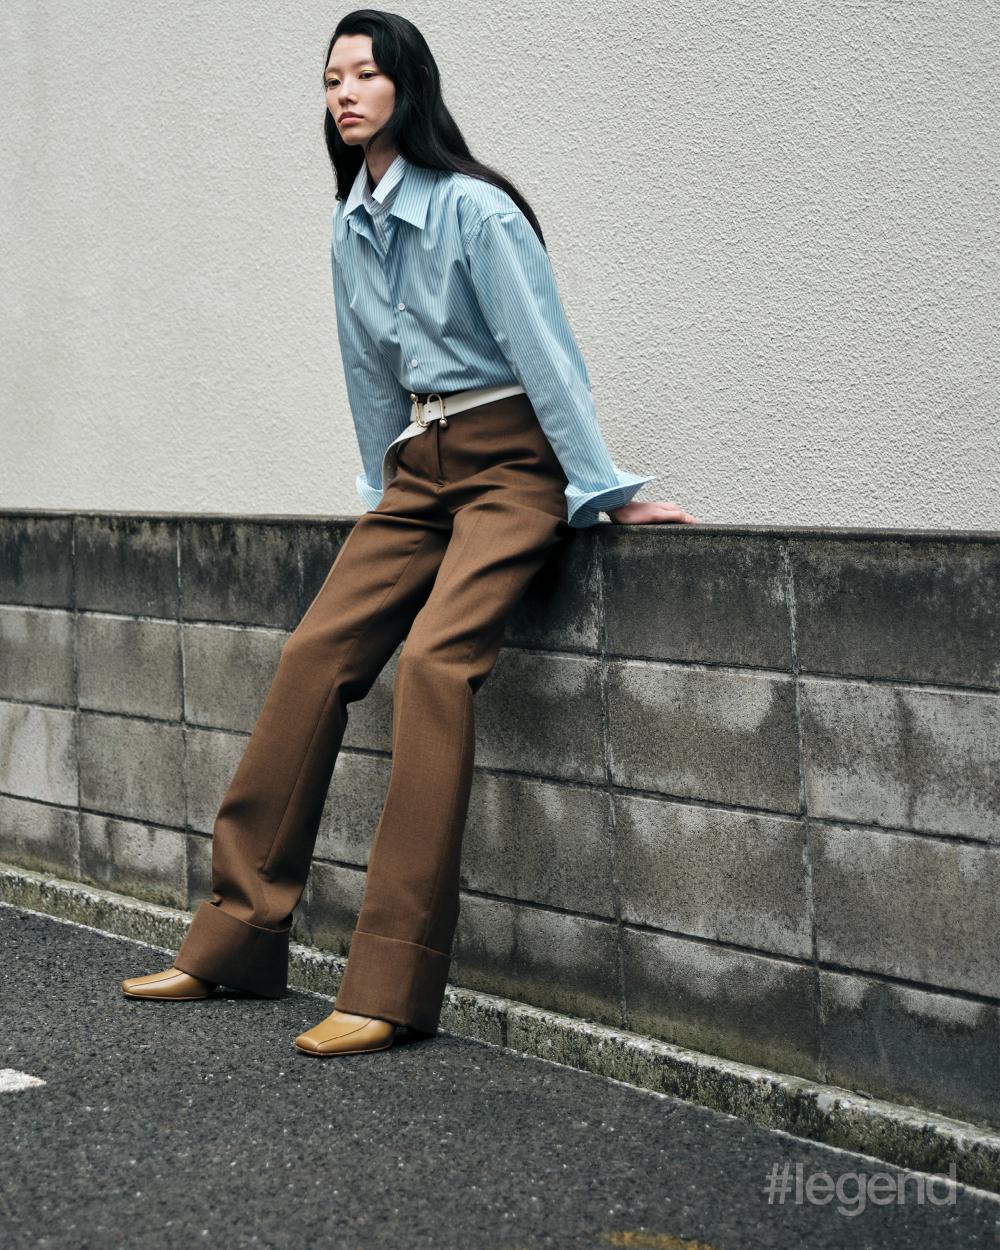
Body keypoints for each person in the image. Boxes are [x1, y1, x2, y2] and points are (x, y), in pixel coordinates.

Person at [121, 10, 698, 1055]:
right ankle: (237, 934)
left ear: (407, 89)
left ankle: (388, 981)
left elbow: (546, 353)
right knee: (312, 654)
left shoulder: (477, 210)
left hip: (512, 463)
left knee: (434, 665)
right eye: (330, 79)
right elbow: (368, 374)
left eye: (364, 76)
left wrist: (598, 488)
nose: (343, 94)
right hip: (416, 476)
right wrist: (383, 487)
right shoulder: (352, 222)